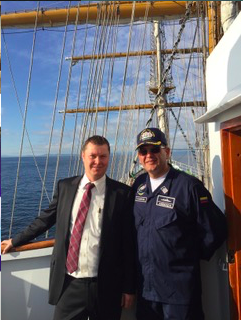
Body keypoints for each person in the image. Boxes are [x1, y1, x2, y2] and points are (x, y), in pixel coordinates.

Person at [2, 135, 136, 320]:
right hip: (69, 283)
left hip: (107, 284)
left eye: (103, 156)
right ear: (83, 156)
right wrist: (15, 240)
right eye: (93, 156)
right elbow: (44, 220)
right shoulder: (65, 187)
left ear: (109, 157)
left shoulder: (122, 193)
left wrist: (129, 287)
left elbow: (128, 243)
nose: (98, 161)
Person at [132, 127, 227, 320]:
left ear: (167, 152)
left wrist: (185, 257)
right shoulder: (138, 186)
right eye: (143, 151)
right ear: (139, 157)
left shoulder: (189, 187)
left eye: (155, 150)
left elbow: (215, 230)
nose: (149, 155)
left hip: (179, 293)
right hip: (145, 291)